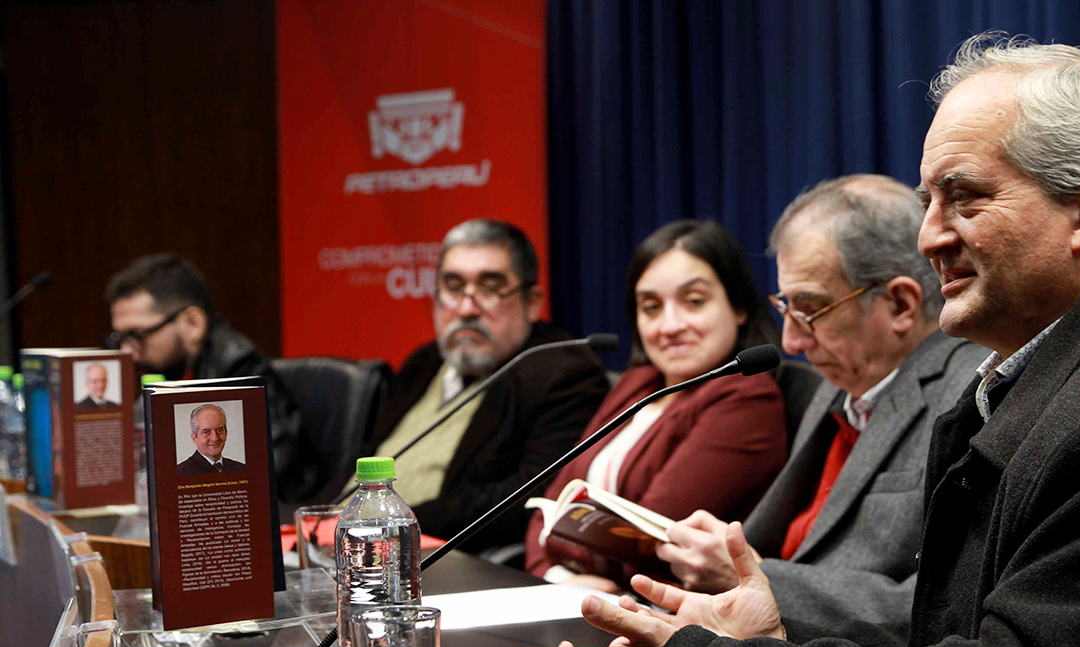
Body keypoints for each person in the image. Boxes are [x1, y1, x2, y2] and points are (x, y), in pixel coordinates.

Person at [498, 33, 1080, 647]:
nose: (929, 238)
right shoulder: (1037, 385)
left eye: (963, 198)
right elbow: (956, 630)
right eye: (929, 200)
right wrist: (767, 625)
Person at [655, 176, 988, 635]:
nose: (790, 340)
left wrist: (756, 578)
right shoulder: (838, 383)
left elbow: (943, 601)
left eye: (810, 310)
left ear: (900, 303)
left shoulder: (970, 397)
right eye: (786, 307)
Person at [524, 219, 788, 592]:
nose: (669, 325)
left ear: (739, 306)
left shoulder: (747, 400)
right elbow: (547, 507)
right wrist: (553, 577)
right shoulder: (638, 384)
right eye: (651, 307)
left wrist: (567, 566)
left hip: (661, 615)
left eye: (694, 302)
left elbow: (643, 542)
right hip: (572, 597)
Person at [354, 219, 610, 552]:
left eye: (490, 288)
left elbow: (529, 497)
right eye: (453, 286)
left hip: (436, 558)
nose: (466, 308)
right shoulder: (425, 362)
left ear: (532, 302)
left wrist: (394, 525)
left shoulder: (564, 373)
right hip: (352, 542)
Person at [106, 255, 301, 494]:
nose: (127, 351)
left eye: (137, 335)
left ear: (192, 323)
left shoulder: (239, 368)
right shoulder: (168, 372)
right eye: (120, 338)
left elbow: (274, 470)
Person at [177, 404, 245, 475]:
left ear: (226, 433)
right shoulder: (180, 473)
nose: (215, 438)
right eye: (206, 432)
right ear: (194, 438)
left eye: (219, 430)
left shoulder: (242, 469)